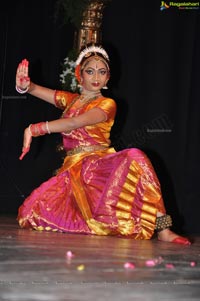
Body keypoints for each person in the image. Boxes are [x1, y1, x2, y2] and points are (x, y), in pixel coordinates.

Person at [15, 44, 190, 245]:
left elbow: (75, 122)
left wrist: (35, 129)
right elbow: (34, 88)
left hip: (99, 168)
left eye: (102, 72)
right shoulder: (71, 100)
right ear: (79, 74)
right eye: (90, 71)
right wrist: (24, 85)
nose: (96, 77)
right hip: (72, 172)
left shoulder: (107, 104)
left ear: (108, 78)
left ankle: (163, 228)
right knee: (28, 214)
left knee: (136, 156)